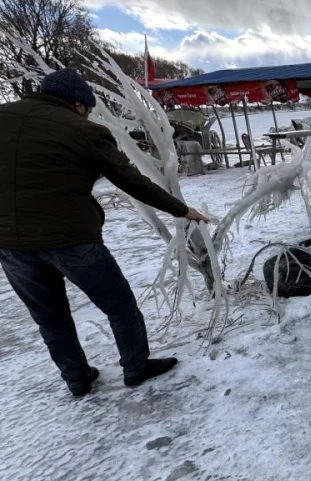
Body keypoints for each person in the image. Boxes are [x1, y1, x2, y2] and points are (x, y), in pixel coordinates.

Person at [0, 68, 209, 397]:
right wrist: (181, 209)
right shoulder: (83, 130)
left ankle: (77, 379)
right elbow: (130, 179)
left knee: (50, 317)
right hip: (71, 238)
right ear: (78, 104)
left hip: (10, 244)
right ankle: (136, 366)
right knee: (119, 304)